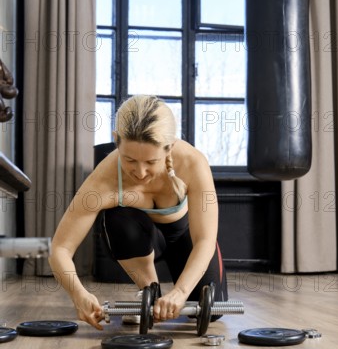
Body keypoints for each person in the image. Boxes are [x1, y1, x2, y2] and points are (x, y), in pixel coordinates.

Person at [49, 94, 228, 330]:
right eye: (130, 160)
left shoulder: (193, 163)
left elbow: (205, 239)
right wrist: (78, 294)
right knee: (117, 217)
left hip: (185, 237)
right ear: (116, 141)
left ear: (170, 147)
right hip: (137, 238)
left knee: (211, 311)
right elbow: (60, 248)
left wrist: (181, 292)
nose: (140, 172)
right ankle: (149, 289)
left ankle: (169, 295)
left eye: (151, 162)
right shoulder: (104, 179)